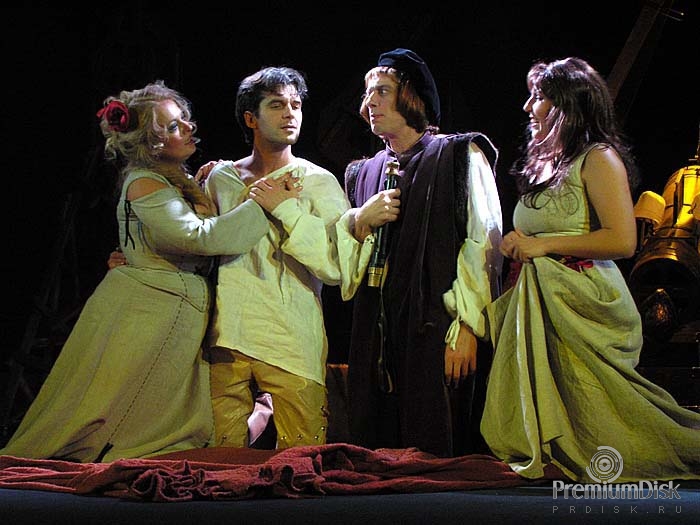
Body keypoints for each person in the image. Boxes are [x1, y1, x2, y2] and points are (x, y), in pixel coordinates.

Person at [0, 80, 284, 462]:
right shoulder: (144, 181)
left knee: (149, 409)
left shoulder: (174, 178)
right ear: (151, 144)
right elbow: (197, 237)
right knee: (125, 408)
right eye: (173, 126)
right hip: (149, 313)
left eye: (184, 119)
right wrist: (260, 206)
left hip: (167, 309)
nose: (188, 127)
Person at [480, 57, 700, 482]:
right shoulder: (549, 166)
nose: (527, 107)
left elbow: (622, 240)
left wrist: (543, 245)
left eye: (538, 97)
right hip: (548, 301)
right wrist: (516, 242)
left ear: (567, 105)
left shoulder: (598, 158)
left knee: (611, 425)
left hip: (583, 304)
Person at [336, 48, 503, 458]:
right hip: (377, 332)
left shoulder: (459, 155)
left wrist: (468, 327)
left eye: (382, 91)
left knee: (436, 446)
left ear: (412, 97)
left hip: (437, 327)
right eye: (368, 93)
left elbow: (484, 243)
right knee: (376, 449)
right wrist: (359, 220)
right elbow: (344, 263)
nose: (370, 102)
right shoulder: (363, 172)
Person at [203, 66, 351, 449]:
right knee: (221, 461)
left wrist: (286, 209)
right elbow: (197, 243)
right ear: (250, 118)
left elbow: (337, 266)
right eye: (276, 105)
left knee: (302, 460)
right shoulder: (221, 179)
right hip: (228, 335)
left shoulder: (318, 181)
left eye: (296, 105)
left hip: (291, 338)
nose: (290, 114)